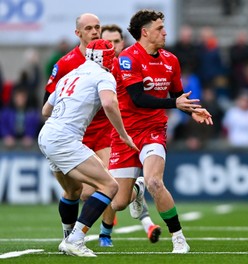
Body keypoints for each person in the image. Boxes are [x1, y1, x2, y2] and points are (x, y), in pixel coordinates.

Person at [109, 9, 213, 253]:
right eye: (159, 28)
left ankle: (178, 238)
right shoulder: (127, 58)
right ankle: (136, 190)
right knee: (119, 202)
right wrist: (173, 104)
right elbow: (137, 98)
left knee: (155, 181)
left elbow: (177, 96)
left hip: (154, 129)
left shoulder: (171, 60)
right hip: (125, 133)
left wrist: (193, 110)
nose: (165, 32)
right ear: (145, 32)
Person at [38, 39, 136, 257]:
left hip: (47, 134)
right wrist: (122, 133)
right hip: (65, 137)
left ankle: (67, 237)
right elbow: (110, 103)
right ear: (105, 58)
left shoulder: (70, 74)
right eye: (112, 54)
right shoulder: (103, 75)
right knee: (109, 186)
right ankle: (75, 239)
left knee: (74, 190)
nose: (115, 58)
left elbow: (46, 109)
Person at [93, 23, 161, 247]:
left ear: (123, 42)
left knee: (108, 186)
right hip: (97, 132)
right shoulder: (95, 68)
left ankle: (104, 234)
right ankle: (137, 189)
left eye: (115, 41)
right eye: (107, 42)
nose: (111, 46)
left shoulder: (131, 63)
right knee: (94, 194)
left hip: (124, 132)